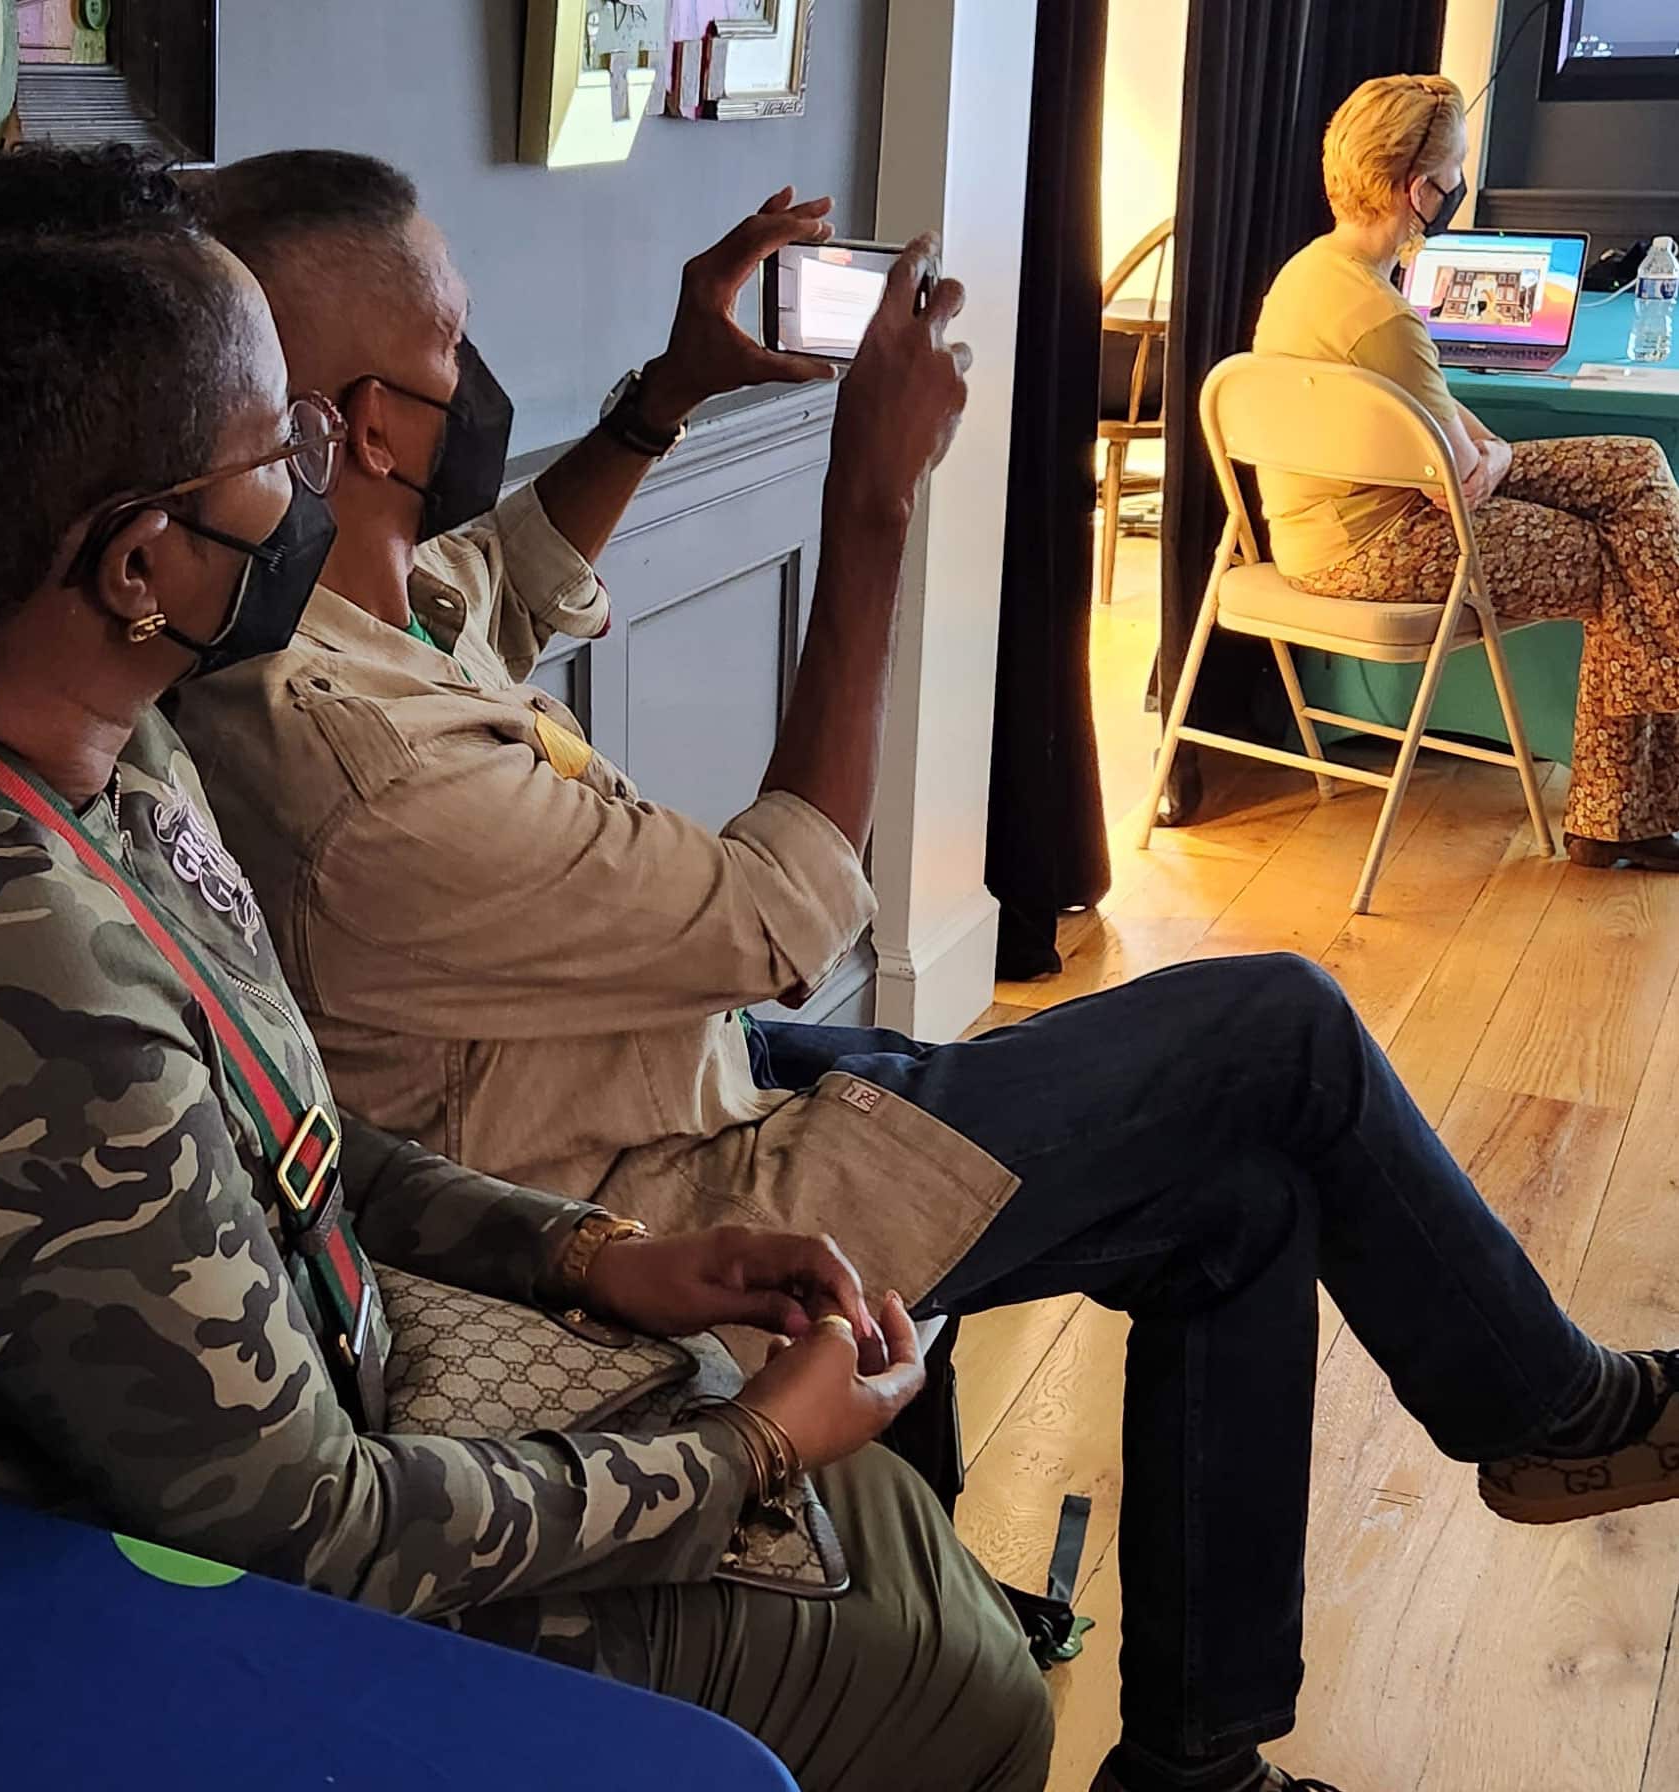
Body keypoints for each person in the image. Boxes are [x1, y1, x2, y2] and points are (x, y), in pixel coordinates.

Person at [173, 149, 1679, 1792]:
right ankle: (1550, 1407)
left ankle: (1198, 1769)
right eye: (453, 348)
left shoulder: (341, 607)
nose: (479, 380)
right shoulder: (353, 763)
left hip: (674, 1092)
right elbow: (776, 916)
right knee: (1280, 1024)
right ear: (363, 426)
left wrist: (662, 397)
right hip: (635, 1200)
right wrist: (873, 504)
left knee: (1243, 1201)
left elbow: (502, 583)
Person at [0, 145, 1060, 1792]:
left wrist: (592, 1256)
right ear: (138, 560)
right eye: (276, 452)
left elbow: (280, 1132)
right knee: (960, 1691)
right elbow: (310, 1533)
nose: (317, 477)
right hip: (89, 1647)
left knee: (873, 1508)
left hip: (296, 1459)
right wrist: (739, 1448)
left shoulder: (86, 745)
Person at [1257, 72, 1679, 869]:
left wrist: (1492, 450)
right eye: (1453, 173)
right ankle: (1617, 818)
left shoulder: (1313, 274)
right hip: (1376, 547)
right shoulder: (1382, 318)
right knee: (1620, 557)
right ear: (1419, 189)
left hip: (1328, 527)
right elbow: (1456, 472)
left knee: (1638, 466)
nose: (1458, 187)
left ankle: (1636, 772)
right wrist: (1489, 453)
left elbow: (1441, 411)